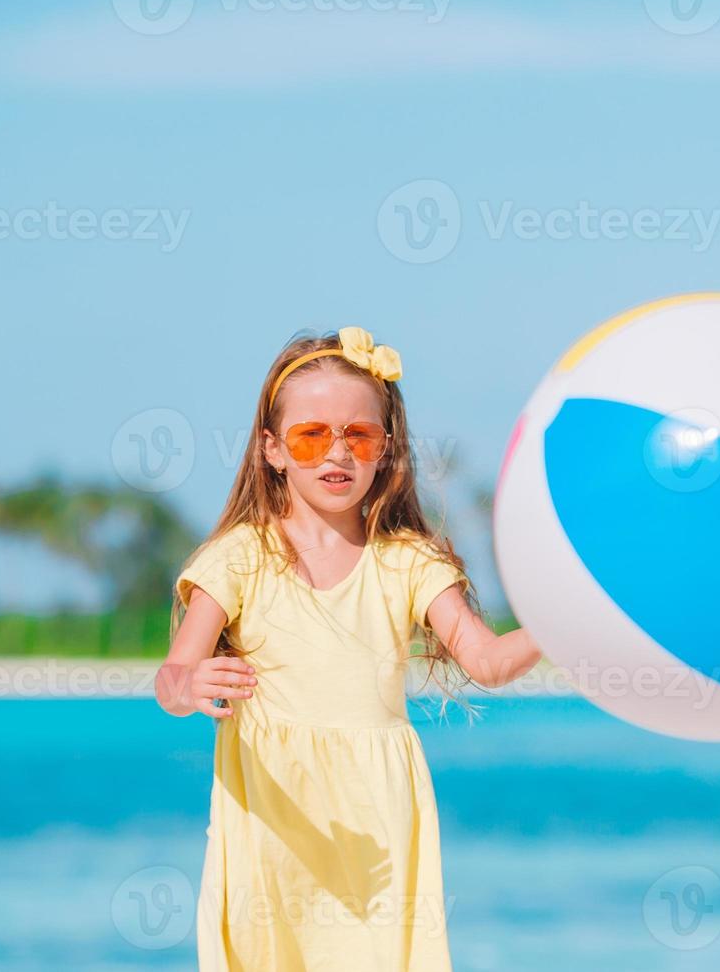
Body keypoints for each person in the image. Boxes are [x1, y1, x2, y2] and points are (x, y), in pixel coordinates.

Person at [155, 326, 542, 970]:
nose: (337, 453)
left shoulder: (409, 562)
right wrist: (190, 687)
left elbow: (488, 661)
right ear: (273, 449)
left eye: (358, 436)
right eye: (312, 436)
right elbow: (173, 676)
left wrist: (564, 628)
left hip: (378, 823)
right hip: (273, 823)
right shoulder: (242, 557)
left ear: (385, 450)